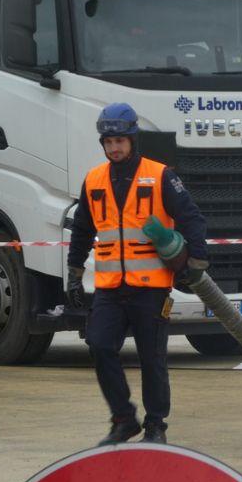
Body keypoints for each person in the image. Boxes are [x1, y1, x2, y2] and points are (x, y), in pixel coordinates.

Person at [66, 102, 209, 445]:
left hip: (152, 287)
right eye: (108, 142)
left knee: (152, 358)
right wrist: (74, 271)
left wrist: (197, 261)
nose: (114, 148)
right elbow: (82, 228)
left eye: (120, 141)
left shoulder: (161, 176)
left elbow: (191, 217)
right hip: (110, 286)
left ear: (132, 139)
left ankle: (156, 425)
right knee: (99, 345)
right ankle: (123, 419)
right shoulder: (94, 179)